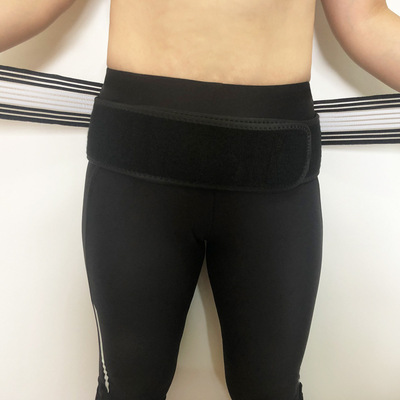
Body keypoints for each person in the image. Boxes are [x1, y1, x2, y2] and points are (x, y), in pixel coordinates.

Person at [1, 1, 399, 400]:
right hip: (138, 169)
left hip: (272, 171)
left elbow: (363, 22)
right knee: (129, 390)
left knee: (271, 392)